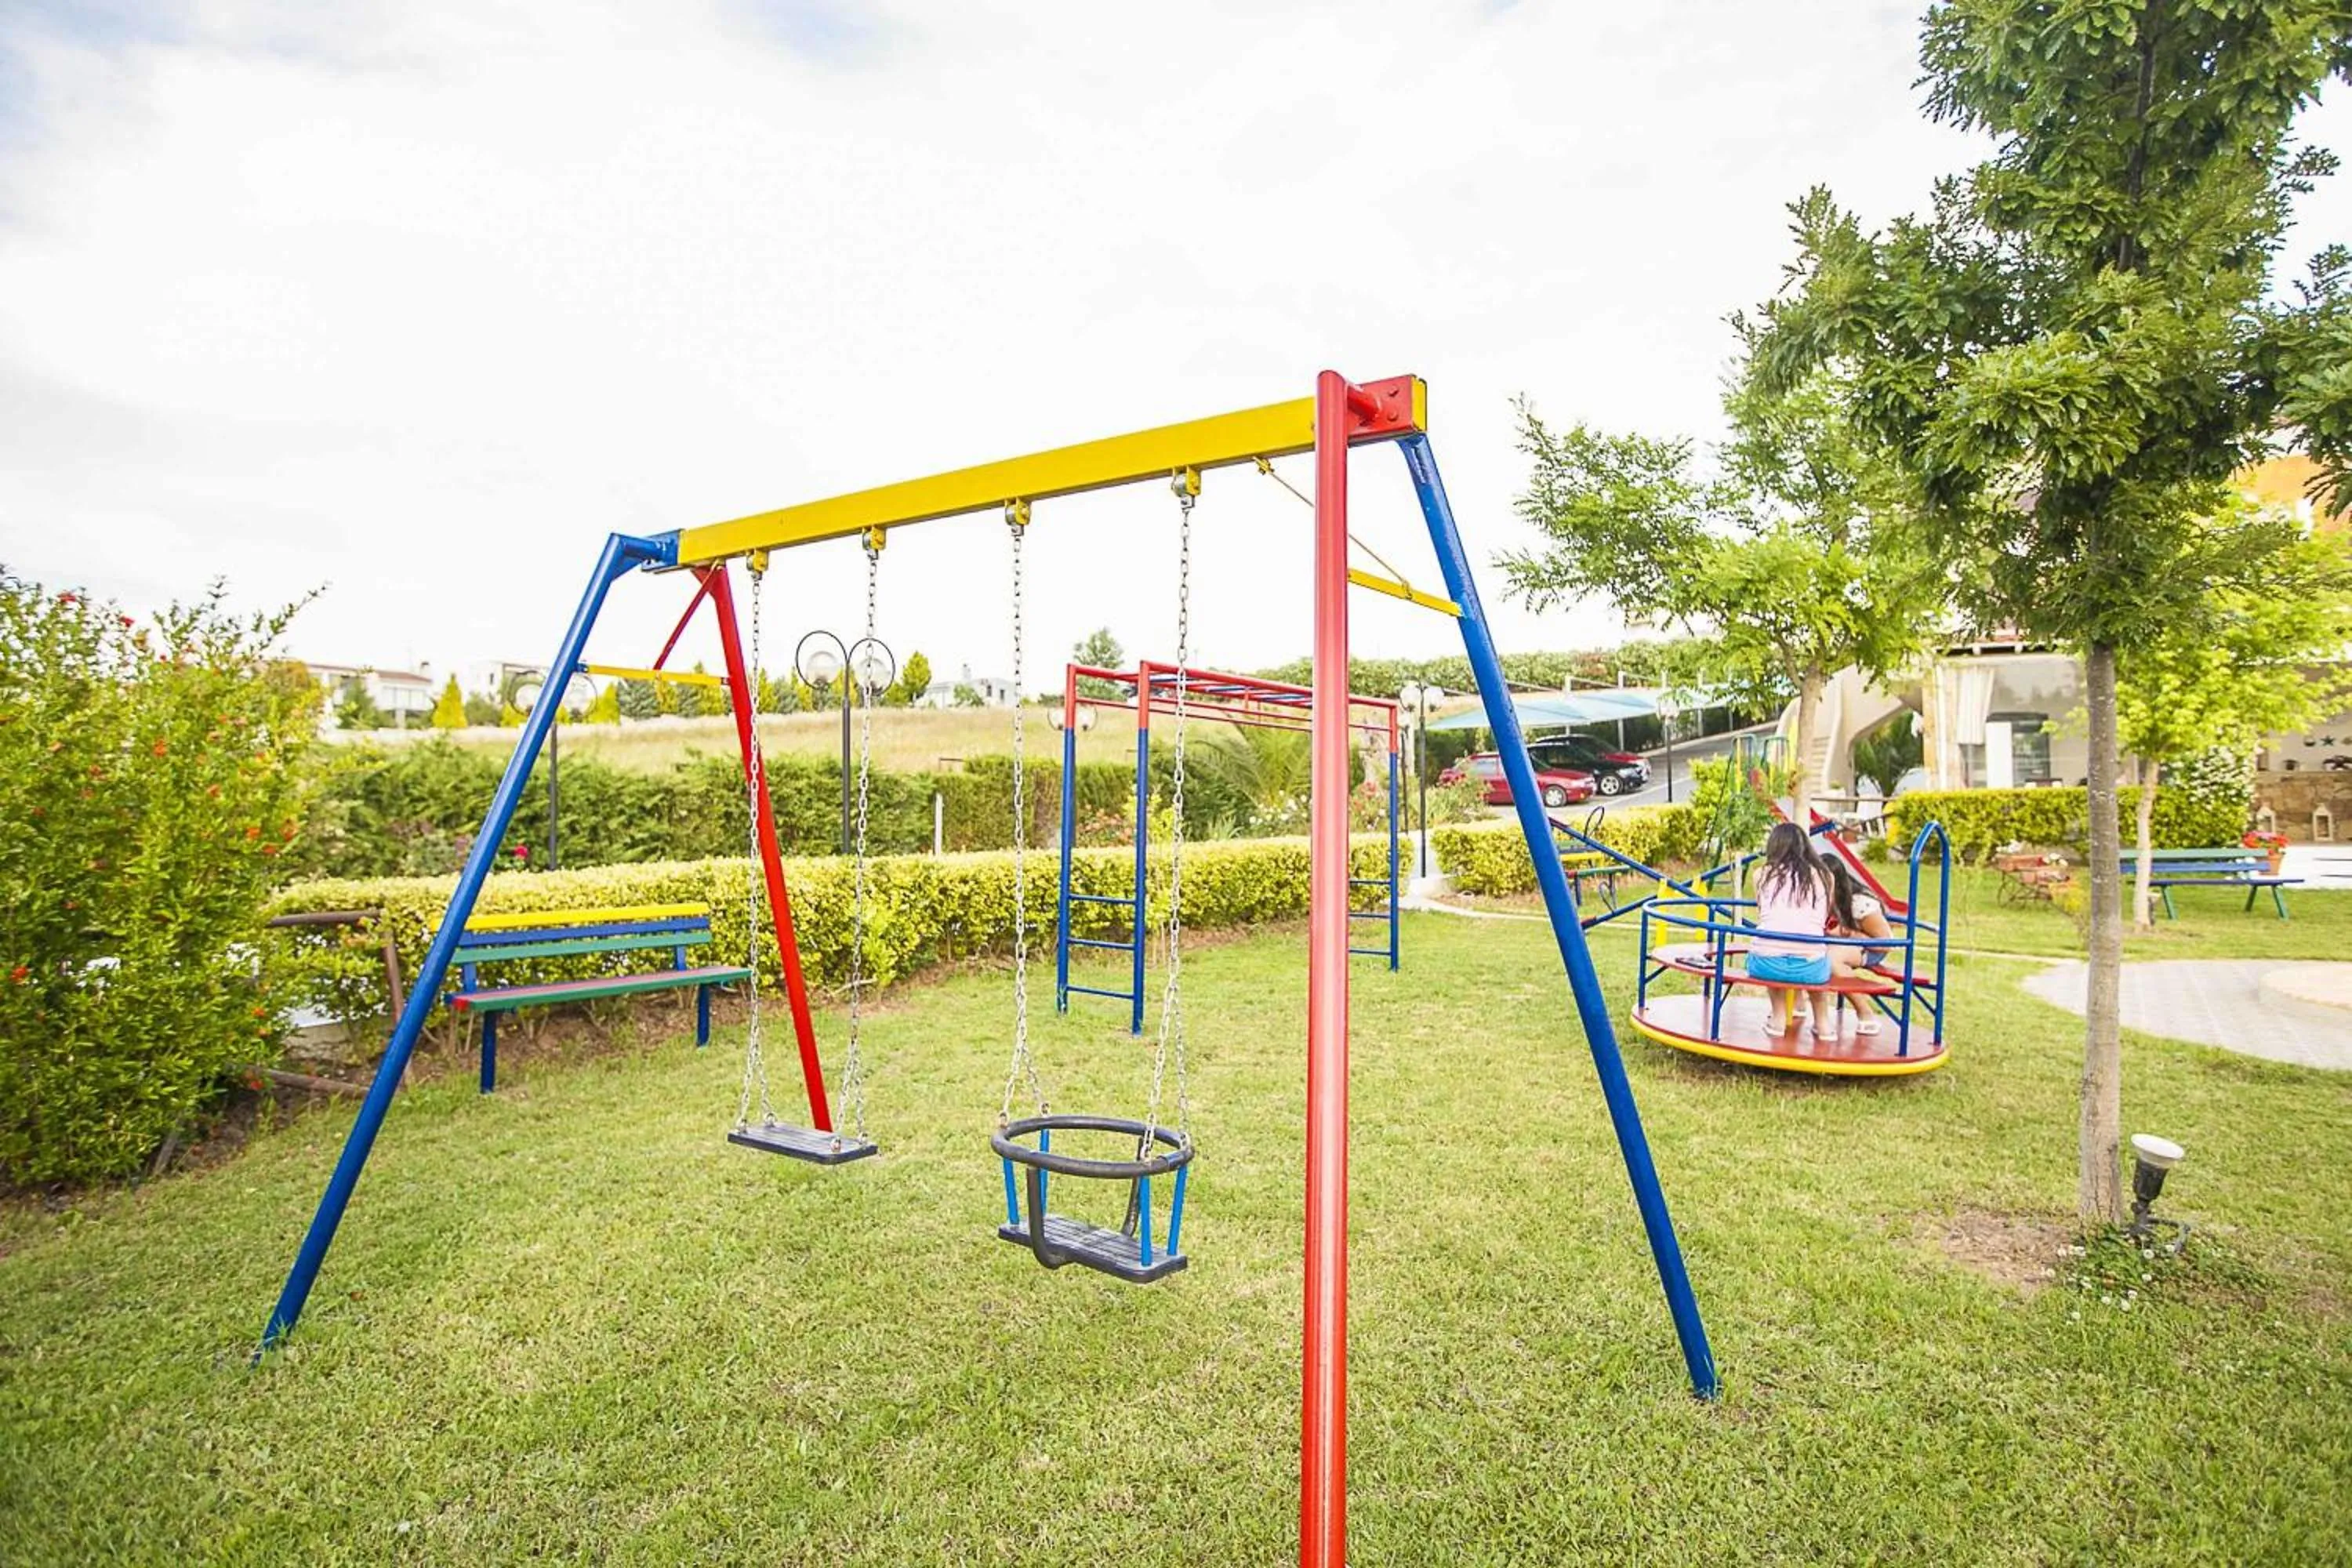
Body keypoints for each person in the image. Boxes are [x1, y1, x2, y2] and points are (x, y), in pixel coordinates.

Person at [1746, 822, 1835, 1039]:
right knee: (1816, 957)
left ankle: (1777, 1018)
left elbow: (1763, 911)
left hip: (1766, 963)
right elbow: (1823, 916)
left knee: (1769, 949)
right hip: (1811, 966)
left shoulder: (1762, 874)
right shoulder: (1826, 876)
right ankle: (1823, 1024)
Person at [1822, 856, 1896, 1036]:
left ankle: (1865, 1012)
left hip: (1870, 948)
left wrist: (1847, 933)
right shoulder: (1817, 898)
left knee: (1831, 960)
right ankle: (1811, 1014)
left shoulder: (1860, 904)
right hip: (1837, 944)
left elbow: (1885, 944)